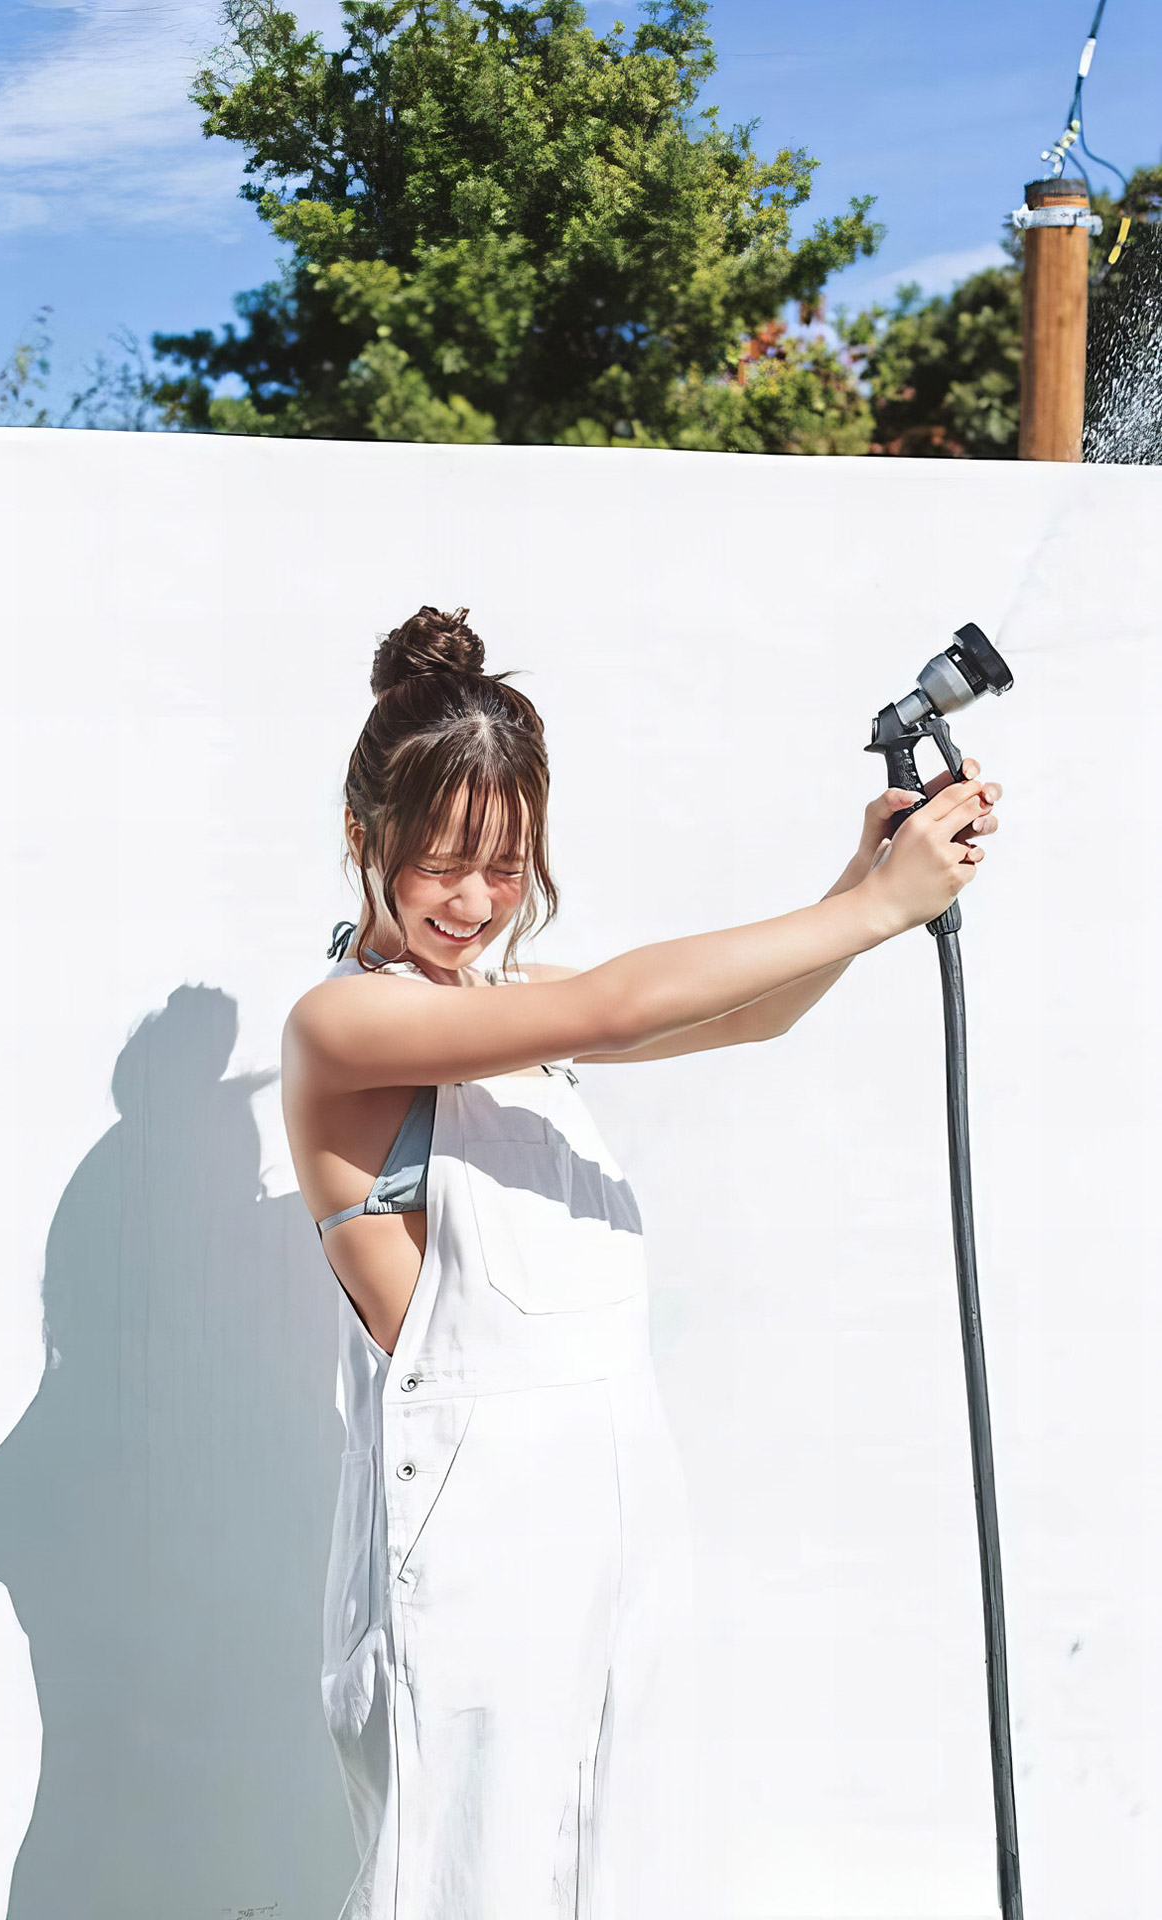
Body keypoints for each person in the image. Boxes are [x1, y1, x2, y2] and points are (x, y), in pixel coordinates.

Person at [280, 605, 1002, 1919]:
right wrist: (872, 907)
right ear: (361, 837)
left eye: (506, 868)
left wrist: (862, 897)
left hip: (620, 1520)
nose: (475, 902)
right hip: (478, 1551)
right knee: (474, 1882)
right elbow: (615, 1005)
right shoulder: (341, 1026)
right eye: (441, 864)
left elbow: (747, 1016)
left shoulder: (509, 1009)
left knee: (625, 1878)